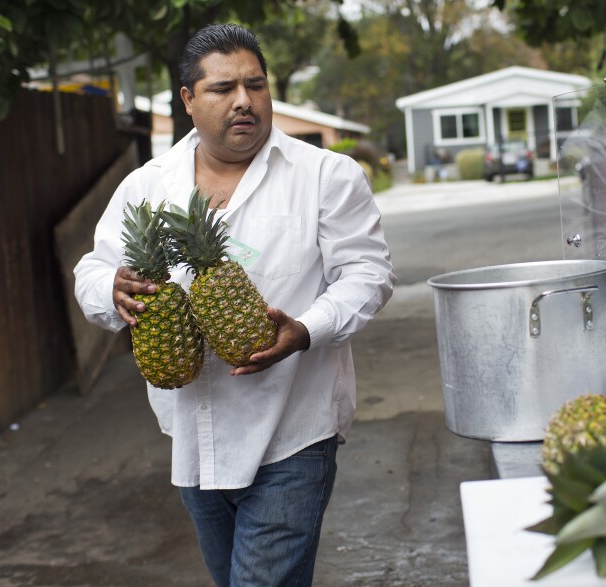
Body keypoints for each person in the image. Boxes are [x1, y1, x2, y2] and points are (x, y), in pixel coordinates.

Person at [73, 23, 395, 587]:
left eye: (256, 85)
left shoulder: (325, 175)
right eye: (223, 88)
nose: (244, 101)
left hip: (295, 431)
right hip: (193, 439)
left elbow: (368, 275)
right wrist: (111, 290)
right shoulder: (147, 185)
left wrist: (307, 328)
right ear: (189, 100)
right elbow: (93, 269)